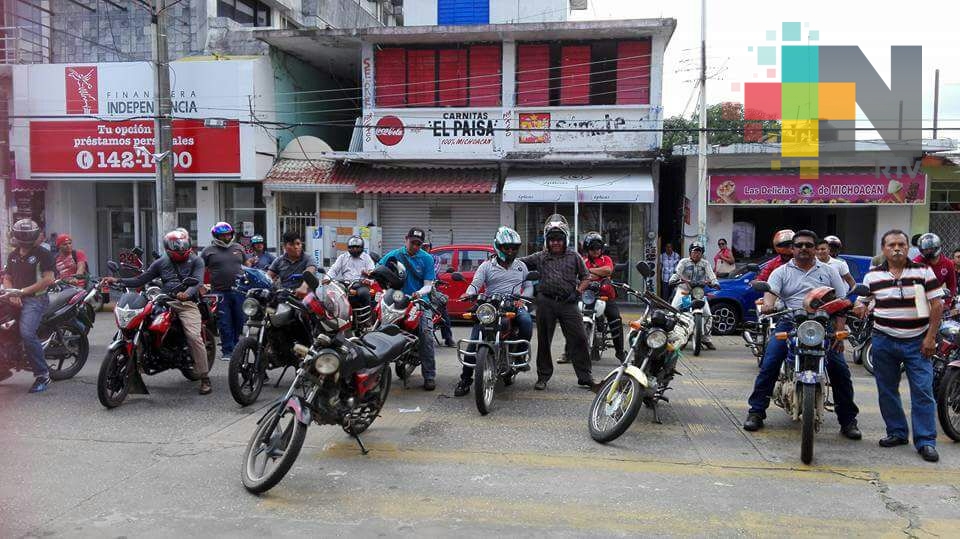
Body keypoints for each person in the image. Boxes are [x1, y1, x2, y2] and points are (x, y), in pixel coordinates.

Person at [743, 230, 861, 440]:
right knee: (770, 362)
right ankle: (756, 411)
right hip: (790, 321)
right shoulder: (781, 272)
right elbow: (770, 292)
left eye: (808, 245)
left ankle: (848, 420)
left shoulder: (829, 271)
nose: (804, 248)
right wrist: (769, 305)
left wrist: (839, 332)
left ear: (816, 249)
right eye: (799, 245)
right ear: (792, 249)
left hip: (822, 324)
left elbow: (842, 302)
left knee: (840, 369)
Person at [855, 229, 944, 462]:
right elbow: (863, 301)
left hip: (917, 341)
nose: (897, 248)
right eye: (891, 245)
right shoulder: (873, 276)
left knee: (923, 391)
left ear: (908, 248)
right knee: (887, 390)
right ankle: (897, 432)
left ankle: (926, 441)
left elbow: (937, 305)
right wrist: (860, 307)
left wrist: (930, 338)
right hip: (883, 340)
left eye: (901, 244)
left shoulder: (923, 271)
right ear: (883, 249)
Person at [102, 230, 212, 395]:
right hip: (162, 299)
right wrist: (118, 280)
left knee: (193, 336)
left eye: (183, 245)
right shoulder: (161, 262)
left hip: (186, 303)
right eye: (177, 246)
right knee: (139, 323)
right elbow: (141, 279)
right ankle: (142, 360)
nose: (181, 248)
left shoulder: (196, 260)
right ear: (168, 247)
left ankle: (204, 377)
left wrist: (187, 293)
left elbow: (197, 282)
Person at [519, 214, 599, 391]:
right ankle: (543, 377)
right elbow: (519, 264)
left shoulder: (574, 256)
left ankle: (585, 377)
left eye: (559, 239)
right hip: (545, 302)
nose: (555, 243)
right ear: (547, 241)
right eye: (552, 239)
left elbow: (586, 277)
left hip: (569, 302)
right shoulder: (540, 256)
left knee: (579, 338)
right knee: (544, 341)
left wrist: (578, 292)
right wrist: (499, 258)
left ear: (565, 240)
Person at [454, 227, 534, 397]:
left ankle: (518, 355)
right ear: (498, 247)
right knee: (474, 340)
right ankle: (465, 379)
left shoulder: (521, 266)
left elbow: (528, 286)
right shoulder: (486, 266)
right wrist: (468, 294)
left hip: (514, 304)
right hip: (490, 305)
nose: (510, 251)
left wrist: (523, 298)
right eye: (507, 248)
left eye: (514, 248)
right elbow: (475, 284)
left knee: (527, 322)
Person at [2, 219, 56, 393]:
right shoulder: (13, 255)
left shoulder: (43, 254)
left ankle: (43, 374)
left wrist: (22, 292)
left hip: (36, 300)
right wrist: (12, 293)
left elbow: (49, 279)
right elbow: (7, 277)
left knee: (27, 333)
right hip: (15, 297)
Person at [381, 228, 439, 391]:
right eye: (412, 242)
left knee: (426, 335)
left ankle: (429, 375)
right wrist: (369, 274)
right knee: (379, 328)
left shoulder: (427, 258)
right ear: (405, 239)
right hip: (396, 299)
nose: (415, 246)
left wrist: (418, 293)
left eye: (418, 244)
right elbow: (379, 268)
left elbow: (428, 285)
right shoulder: (394, 255)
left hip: (419, 301)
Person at [201, 222, 249, 360]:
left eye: (228, 235)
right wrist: (201, 286)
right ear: (216, 236)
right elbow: (200, 269)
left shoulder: (238, 248)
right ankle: (227, 351)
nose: (226, 237)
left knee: (239, 320)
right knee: (224, 322)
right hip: (219, 292)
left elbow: (247, 265)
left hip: (239, 291)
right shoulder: (208, 251)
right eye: (223, 235)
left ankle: (236, 347)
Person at [581, 231, 625, 361]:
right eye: (592, 248)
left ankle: (620, 352)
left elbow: (608, 270)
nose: (596, 251)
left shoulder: (607, 259)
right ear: (587, 249)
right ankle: (568, 352)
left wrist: (589, 272)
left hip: (606, 296)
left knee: (615, 319)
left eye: (598, 248)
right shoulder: (583, 260)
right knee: (572, 319)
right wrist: (599, 274)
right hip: (587, 296)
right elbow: (580, 274)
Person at [669, 242, 719, 349]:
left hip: (698, 293)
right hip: (684, 291)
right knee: (673, 311)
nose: (696, 254)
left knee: (707, 314)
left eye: (699, 252)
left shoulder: (705, 264)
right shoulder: (684, 262)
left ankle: (706, 339)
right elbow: (677, 273)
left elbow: (711, 275)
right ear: (690, 252)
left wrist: (715, 283)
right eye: (694, 251)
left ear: (702, 253)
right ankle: (669, 336)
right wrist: (673, 279)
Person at [423, 241, 455, 348]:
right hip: (414, 290)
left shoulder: (434, 258)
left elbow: (433, 272)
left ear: (430, 248)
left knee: (442, 310)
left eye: (426, 247)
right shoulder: (411, 258)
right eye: (422, 246)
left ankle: (448, 338)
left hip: (431, 289)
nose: (424, 248)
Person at [267, 231, 318, 296]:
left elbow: (310, 271)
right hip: (285, 297)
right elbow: (268, 277)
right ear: (284, 246)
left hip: (306, 297)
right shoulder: (279, 260)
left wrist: (304, 287)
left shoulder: (308, 258)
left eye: (298, 244)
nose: (296, 247)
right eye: (291, 244)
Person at [913, 233, 957, 300]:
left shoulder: (948, 264)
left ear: (937, 247)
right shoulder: (916, 262)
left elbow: (951, 286)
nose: (928, 251)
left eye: (931, 249)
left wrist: (947, 303)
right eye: (925, 249)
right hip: (919, 298)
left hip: (937, 298)